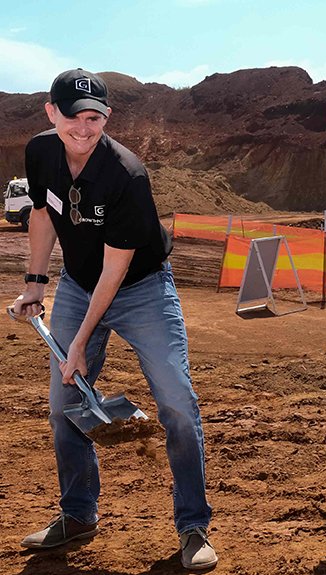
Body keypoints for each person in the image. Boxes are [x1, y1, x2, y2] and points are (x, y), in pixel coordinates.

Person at [10, 69, 217, 570]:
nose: (84, 128)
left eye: (95, 118)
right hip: (81, 285)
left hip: (140, 286)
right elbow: (42, 214)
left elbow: (116, 267)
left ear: (107, 117)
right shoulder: (40, 153)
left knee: (174, 399)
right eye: (74, 116)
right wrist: (36, 281)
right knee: (64, 404)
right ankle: (78, 515)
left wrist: (78, 342)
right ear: (51, 112)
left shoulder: (125, 174)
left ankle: (193, 525)